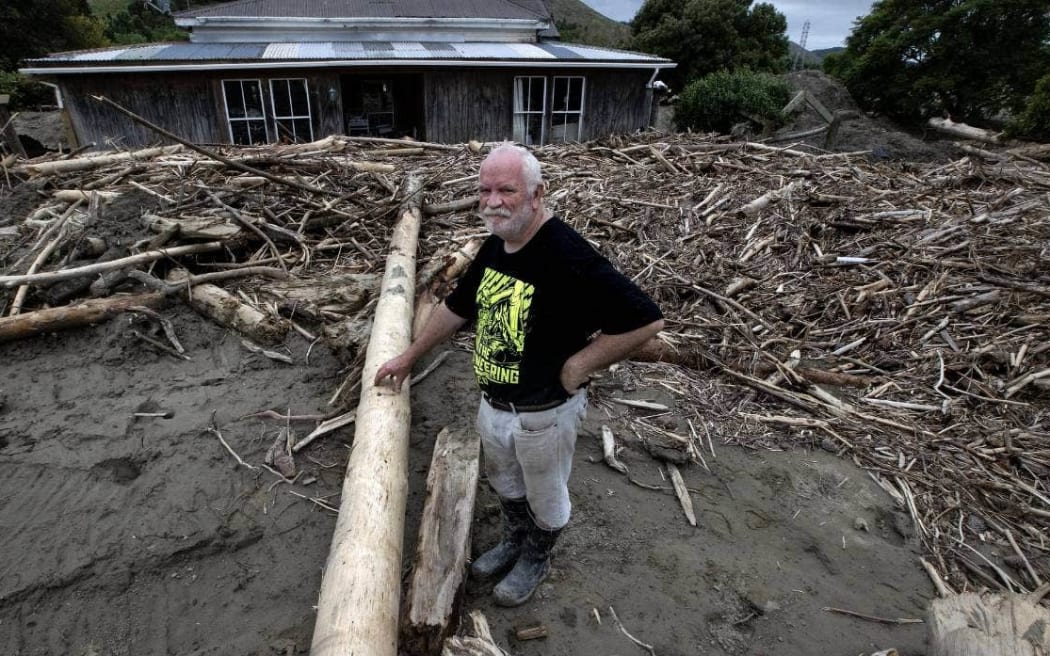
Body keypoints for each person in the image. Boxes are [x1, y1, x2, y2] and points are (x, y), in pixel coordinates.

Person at [374, 143, 663, 607]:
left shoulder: (568, 254)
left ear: (536, 194)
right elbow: (455, 308)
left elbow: (645, 319)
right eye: (485, 190)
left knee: (546, 494)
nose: (492, 201)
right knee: (506, 482)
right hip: (494, 403)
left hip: (545, 412)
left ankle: (536, 555)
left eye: (507, 190)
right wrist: (408, 356)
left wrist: (578, 366)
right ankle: (513, 538)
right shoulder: (496, 246)